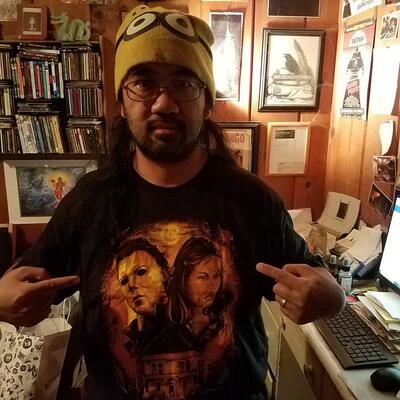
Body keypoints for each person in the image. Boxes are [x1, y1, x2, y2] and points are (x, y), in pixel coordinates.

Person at [11, 4, 345, 400]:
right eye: (143, 83)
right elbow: (18, 285)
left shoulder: (253, 202)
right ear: (121, 100)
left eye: (184, 84)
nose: (163, 104)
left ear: (207, 101)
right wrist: (4, 302)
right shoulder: (88, 202)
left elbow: (319, 283)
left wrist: (331, 297)